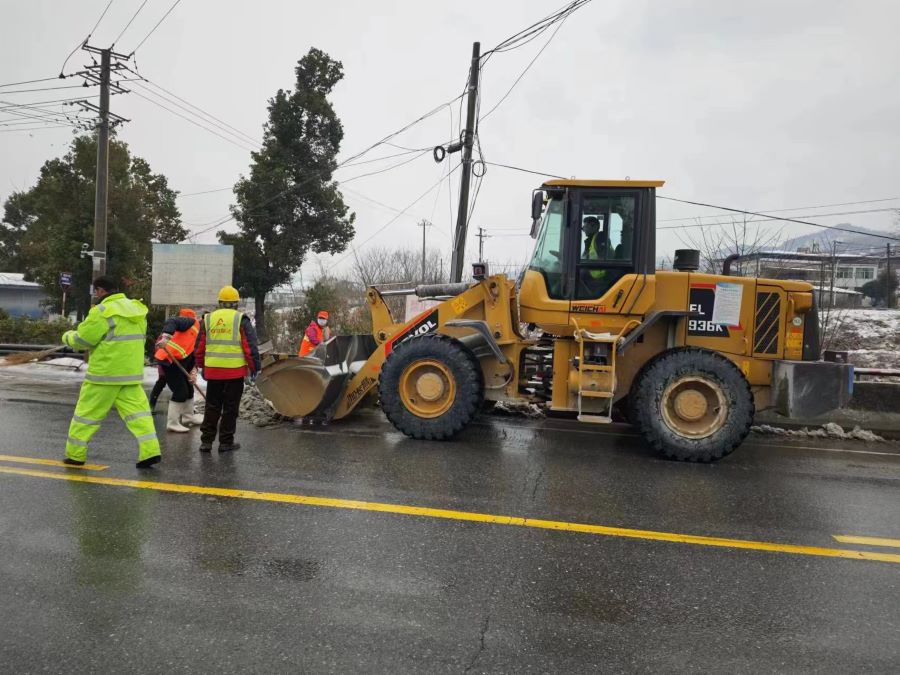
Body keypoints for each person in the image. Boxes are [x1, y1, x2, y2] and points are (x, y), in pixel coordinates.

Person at [61, 275, 161, 469]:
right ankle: (151, 451)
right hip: (130, 374)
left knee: (86, 415)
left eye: (95, 291)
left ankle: (75, 455)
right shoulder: (137, 310)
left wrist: (68, 337)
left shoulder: (101, 311)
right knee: (140, 416)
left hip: (104, 376)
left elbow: (84, 340)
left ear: (100, 290)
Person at [195, 286, 261, 453]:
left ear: (220, 303)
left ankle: (206, 442)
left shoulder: (208, 319)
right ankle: (225, 443)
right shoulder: (241, 320)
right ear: (236, 304)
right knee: (230, 408)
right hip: (234, 373)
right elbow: (250, 347)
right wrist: (255, 368)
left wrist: (201, 366)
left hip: (214, 372)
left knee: (212, 406)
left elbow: (199, 347)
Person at [155, 308, 204, 433]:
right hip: (170, 360)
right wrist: (166, 337)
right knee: (180, 391)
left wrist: (193, 372)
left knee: (189, 390)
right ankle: (172, 423)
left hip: (182, 363)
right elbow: (172, 321)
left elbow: (193, 354)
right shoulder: (192, 322)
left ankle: (188, 417)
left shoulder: (201, 336)